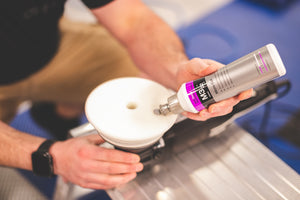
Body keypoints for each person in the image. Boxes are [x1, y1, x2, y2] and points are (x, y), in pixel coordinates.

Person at [0, 0, 252, 190]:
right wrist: (49, 156)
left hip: (49, 46)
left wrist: (175, 69)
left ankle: (56, 113)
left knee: (135, 77)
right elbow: (45, 157)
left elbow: (132, 19)